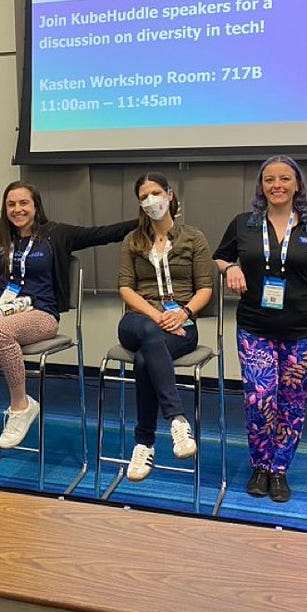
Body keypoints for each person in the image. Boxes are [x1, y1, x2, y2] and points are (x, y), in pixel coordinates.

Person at [0, 165, 137, 451]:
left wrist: (143, 220)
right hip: (5, 309)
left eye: (23, 203)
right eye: (11, 204)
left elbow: (103, 234)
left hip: (42, 313)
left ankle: (21, 405)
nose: (17, 209)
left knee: (0, 332)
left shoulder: (57, 234)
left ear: (35, 206)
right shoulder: (2, 233)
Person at [213, 155, 307, 503]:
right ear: (261, 186)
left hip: (305, 332)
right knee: (260, 397)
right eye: (269, 179)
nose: (277, 185)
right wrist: (229, 269)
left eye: (285, 178)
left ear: (297, 184)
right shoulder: (244, 224)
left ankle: (279, 470)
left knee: (292, 403)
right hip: (256, 328)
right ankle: (259, 464)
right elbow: (220, 256)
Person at [116, 173, 213, 482]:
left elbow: (205, 289)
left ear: (170, 195)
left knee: (146, 358)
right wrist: (157, 317)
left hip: (183, 323)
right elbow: (126, 289)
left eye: (156, 193)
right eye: (144, 197)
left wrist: (183, 313)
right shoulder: (133, 241)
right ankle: (176, 419)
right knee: (147, 333)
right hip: (139, 320)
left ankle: (144, 442)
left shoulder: (194, 238)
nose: (150, 201)